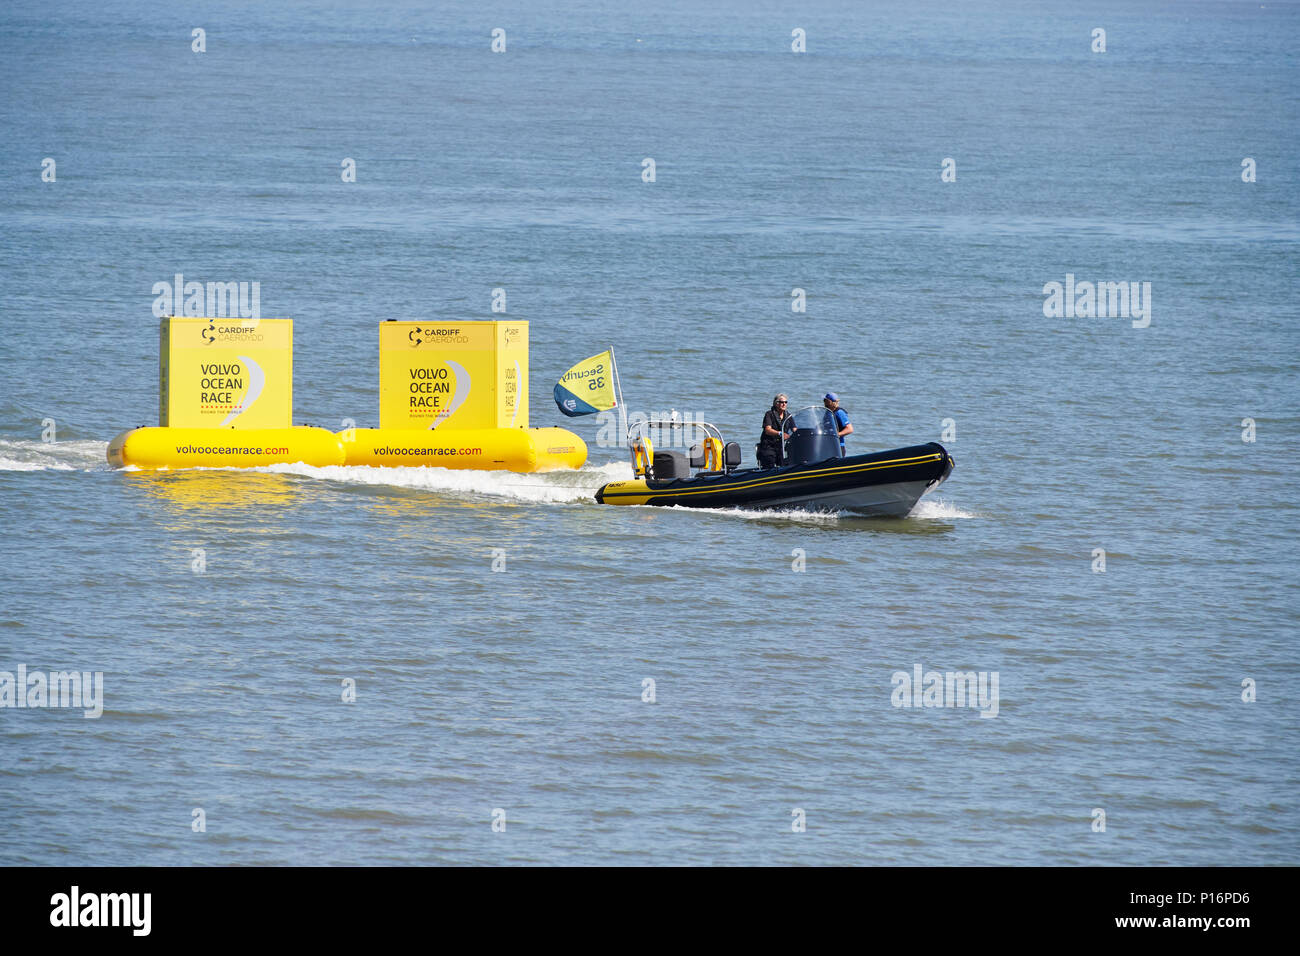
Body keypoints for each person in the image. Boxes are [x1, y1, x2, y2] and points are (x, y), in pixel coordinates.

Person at [757, 394, 791, 468]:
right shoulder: (769, 414)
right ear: (776, 403)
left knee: (787, 462)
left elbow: (795, 429)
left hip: (781, 447)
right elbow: (767, 430)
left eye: (786, 402)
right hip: (768, 446)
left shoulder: (789, 416)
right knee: (769, 459)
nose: (784, 404)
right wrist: (780, 433)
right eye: (782, 402)